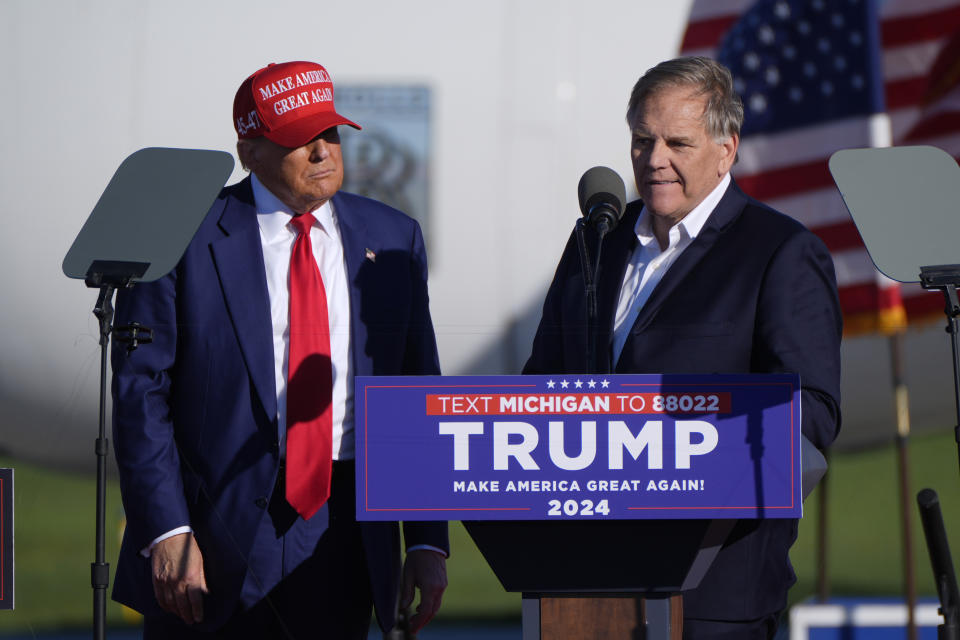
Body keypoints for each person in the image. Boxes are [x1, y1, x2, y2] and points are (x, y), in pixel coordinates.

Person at [111, 60, 448, 639]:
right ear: (250, 152)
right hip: (217, 531)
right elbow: (142, 393)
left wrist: (424, 536)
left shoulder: (393, 238)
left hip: (349, 522)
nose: (323, 152)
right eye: (299, 139)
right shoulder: (183, 237)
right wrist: (167, 529)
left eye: (331, 134)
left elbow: (415, 388)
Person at [524, 56, 842, 638]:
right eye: (642, 140)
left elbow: (813, 414)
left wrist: (684, 436)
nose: (655, 159)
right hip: (580, 582)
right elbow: (540, 382)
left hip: (714, 592)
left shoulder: (779, 252)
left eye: (677, 142)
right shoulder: (595, 242)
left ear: (727, 148)